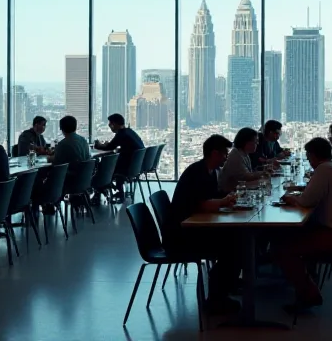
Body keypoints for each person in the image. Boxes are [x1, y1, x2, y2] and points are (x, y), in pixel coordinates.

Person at [274, 137, 332, 311]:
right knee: (289, 237)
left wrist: (291, 198)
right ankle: (306, 279)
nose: (309, 161)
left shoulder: (324, 170)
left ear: (313, 155)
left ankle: (309, 294)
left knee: (281, 249)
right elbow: (315, 193)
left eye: (309, 157)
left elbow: (306, 202)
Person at [163, 135, 242, 314]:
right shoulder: (197, 174)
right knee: (233, 246)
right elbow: (202, 204)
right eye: (224, 154)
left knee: (237, 240)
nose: (226, 158)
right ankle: (216, 298)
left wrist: (225, 199)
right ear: (215, 153)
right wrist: (224, 202)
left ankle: (224, 289)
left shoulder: (209, 171)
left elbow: (212, 198)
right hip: (182, 236)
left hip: (194, 228)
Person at [93, 113, 144, 201]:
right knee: (106, 165)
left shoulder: (121, 134)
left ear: (115, 124)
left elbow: (110, 147)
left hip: (127, 167)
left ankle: (100, 190)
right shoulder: (129, 131)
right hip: (136, 165)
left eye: (110, 124)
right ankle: (106, 188)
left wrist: (98, 145)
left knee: (102, 168)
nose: (110, 126)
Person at [218, 127, 267, 193]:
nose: (257, 144)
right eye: (255, 141)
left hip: (238, 192)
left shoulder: (244, 153)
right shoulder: (236, 155)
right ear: (246, 142)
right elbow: (246, 177)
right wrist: (264, 173)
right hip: (229, 195)